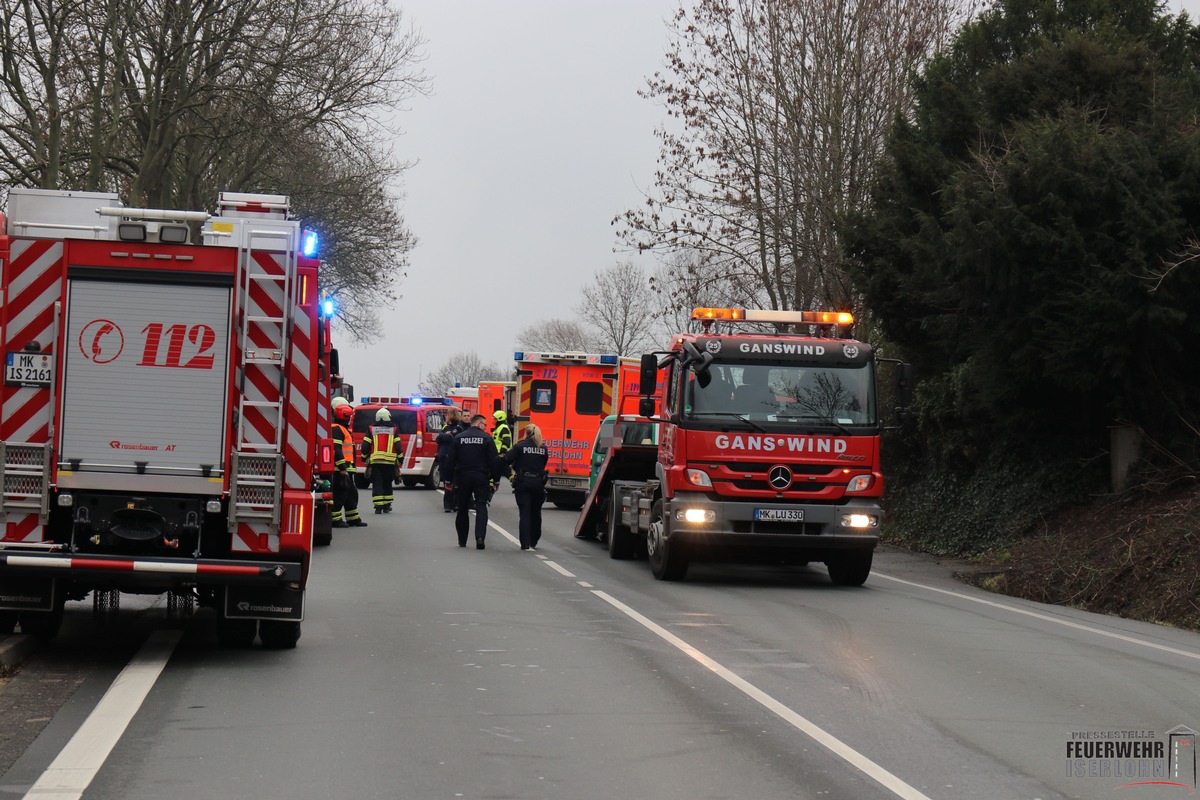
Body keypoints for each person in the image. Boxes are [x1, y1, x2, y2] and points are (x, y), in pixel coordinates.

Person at [442, 414, 502, 549]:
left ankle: (462, 540)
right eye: (485, 425)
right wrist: (496, 480)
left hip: (463, 476)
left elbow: (450, 460)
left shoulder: (459, 438)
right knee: (481, 506)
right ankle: (480, 538)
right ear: (479, 424)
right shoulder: (487, 438)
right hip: (481, 476)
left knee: (462, 508)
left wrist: (448, 479)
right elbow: (494, 461)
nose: (485, 427)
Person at [502, 423, 549, 550]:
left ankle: (525, 543)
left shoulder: (520, 446)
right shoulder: (543, 448)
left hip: (523, 482)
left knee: (524, 513)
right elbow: (543, 463)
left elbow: (506, 460)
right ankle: (534, 540)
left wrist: (510, 474)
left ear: (526, 433)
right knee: (536, 512)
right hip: (538, 483)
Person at [331, 400, 367, 528]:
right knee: (340, 494)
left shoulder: (342, 429)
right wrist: (342, 468)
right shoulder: (337, 429)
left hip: (346, 468)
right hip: (340, 469)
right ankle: (335, 519)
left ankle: (353, 518)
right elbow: (337, 450)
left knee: (351, 494)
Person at [359, 407, 399, 514]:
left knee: (377, 483)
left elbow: (365, 446)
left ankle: (378, 506)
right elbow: (398, 446)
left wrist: (363, 456)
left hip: (376, 462)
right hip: (389, 462)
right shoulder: (394, 429)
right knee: (387, 483)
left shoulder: (371, 429)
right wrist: (400, 458)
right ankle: (387, 505)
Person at [435, 408, 469, 512]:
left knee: (448, 482)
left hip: (445, 457)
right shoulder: (460, 428)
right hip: (454, 458)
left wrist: (444, 436)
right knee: (456, 482)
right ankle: (455, 504)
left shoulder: (452, 428)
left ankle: (448, 505)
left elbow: (439, 439)